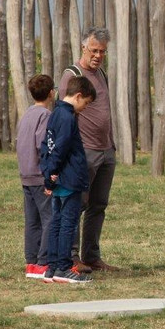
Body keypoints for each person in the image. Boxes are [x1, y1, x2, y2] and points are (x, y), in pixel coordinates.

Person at [58, 27, 119, 273]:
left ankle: (92, 256)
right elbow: (64, 115)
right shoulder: (72, 75)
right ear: (83, 47)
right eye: (94, 50)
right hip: (85, 152)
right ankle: (71, 258)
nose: (98, 55)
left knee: (98, 206)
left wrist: (111, 145)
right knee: (76, 204)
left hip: (106, 150)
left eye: (102, 51)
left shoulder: (101, 73)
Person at [40, 76, 97, 284]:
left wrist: (48, 174)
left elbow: (46, 146)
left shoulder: (55, 114)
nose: (85, 108)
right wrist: (52, 174)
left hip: (58, 179)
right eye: (86, 103)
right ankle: (64, 267)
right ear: (79, 96)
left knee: (56, 222)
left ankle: (52, 267)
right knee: (68, 224)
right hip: (69, 179)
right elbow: (60, 149)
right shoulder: (67, 117)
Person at [15, 74, 55, 279]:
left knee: (32, 220)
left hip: (25, 174)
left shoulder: (27, 114)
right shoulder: (45, 115)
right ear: (51, 93)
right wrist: (50, 173)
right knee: (49, 218)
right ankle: (43, 261)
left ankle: (31, 262)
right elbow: (43, 146)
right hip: (39, 176)